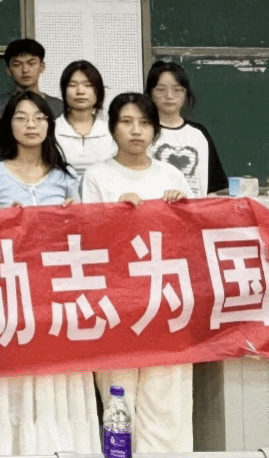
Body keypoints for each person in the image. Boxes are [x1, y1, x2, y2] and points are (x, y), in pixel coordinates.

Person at [0, 91, 100, 454]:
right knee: (13, 373)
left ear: (49, 125)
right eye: (21, 117)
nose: (31, 125)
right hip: (9, 291)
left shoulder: (66, 177)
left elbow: (85, 238)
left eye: (39, 118)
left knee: (58, 371)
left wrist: (76, 216)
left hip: (57, 291)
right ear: (8, 125)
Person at [81, 93, 191, 452]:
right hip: (117, 304)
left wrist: (183, 208)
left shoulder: (172, 175)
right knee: (119, 401)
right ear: (112, 128)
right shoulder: (97, 176)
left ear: (156, 130)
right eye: (126, 122)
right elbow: (87, 240)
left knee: (166, 404)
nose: (136, 130)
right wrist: (115, 213)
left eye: (144, 123)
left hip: (166, 303)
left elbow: (193, 238)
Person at [145, 60, 227, 197]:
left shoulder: (199, 133)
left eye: (177, 90)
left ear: (186, 93)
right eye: (161, 89)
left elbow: (213, 187)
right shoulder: (142, 132)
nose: (169, 96)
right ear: (149, 93)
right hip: (156, 208)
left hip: (194, 209)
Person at [54, 60, 114, 175]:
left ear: (98, 91)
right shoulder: (50, 130)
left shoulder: (111, 131)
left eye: (88, 85)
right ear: (64, 91)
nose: (80, 91)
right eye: (72, 85)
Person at [0, 39, 65, 117]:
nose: (25, 70)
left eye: (31, 63)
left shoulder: (58, 107)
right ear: (8, 70)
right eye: (17, 64)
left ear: (42, 67)